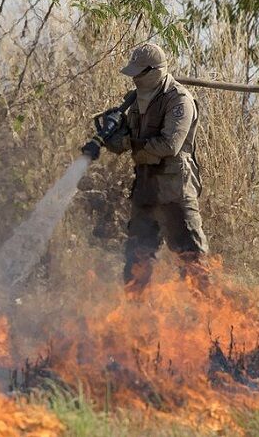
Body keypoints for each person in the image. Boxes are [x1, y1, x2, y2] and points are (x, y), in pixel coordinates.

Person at [82, 43, 209, 290]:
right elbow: (124, 143)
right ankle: (135, 318)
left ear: (154, 71)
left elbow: (169, 145)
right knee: (137, 260)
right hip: (146, 189)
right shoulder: (136, 101)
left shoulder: (179, 101)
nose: (135, 80)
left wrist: (129, 141)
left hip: (175, 191)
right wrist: (109, 137)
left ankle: (211, 320)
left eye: (139, 74)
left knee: (192, 258)